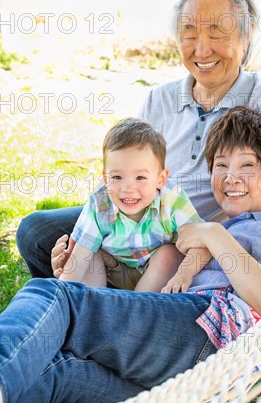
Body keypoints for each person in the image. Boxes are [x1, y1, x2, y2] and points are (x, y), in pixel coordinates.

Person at [0, 107, 261, 403]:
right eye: (220, 165)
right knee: (60, 374)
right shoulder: (208, 229)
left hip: (212, 338)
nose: (231, 177)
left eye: (247, 165)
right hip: (183, 389)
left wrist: (215, 236)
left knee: (52, 294)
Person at [16, 0, 261, 279]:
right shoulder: (160, 99)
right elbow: (125, 171)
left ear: (247, 35)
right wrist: (88, 237)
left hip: (189, 245)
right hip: (135, 222)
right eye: (189, 34)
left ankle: (86, 310)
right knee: (37, 233)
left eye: (217, 34)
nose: (201, 50)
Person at [59, 117, 209, 292]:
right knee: (89, 256)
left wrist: (184, 274)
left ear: (160, 179)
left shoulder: (172, 200)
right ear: (106, 179)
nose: (128, 188)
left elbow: (202, 244)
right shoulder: (99, 204)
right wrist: (63, 291)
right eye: (117, 177)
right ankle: (92, 304)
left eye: (140, 178)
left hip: (158, 275)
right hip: (113, 270)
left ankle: (137, 307)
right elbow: (77, 261)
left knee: (168, 254)